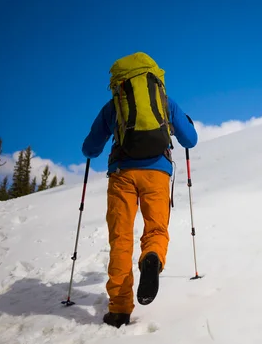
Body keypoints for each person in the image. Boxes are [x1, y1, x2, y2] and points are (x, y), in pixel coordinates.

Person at [81, 52, 198, 328]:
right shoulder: (165, 103)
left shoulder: (114, 106)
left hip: (122, 174)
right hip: (157, 173)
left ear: (120, 81)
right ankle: (152, 257)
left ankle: (119, 309)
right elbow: (190, 140)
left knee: (120, 239)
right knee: (156, 230)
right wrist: (186, 123)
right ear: (155, 77)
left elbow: (90, 148)